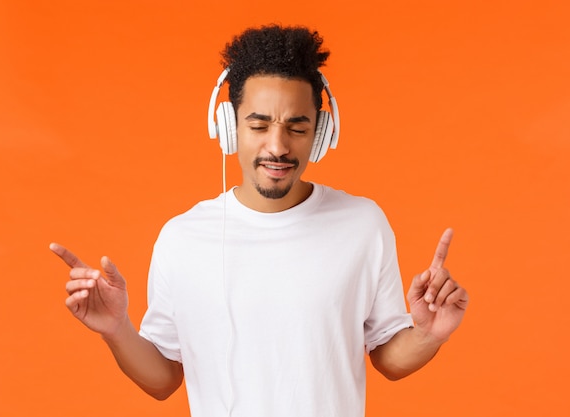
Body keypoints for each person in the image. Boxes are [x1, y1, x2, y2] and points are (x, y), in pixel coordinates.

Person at [50, 24, 469, 417]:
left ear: (322, 134)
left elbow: (388, 358)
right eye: (259, 124)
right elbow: (163, 380)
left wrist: (430, 334)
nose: (278, 146)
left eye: (297, 128)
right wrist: (116, 330)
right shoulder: (182, 238)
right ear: (229, 128)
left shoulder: (363, 224)